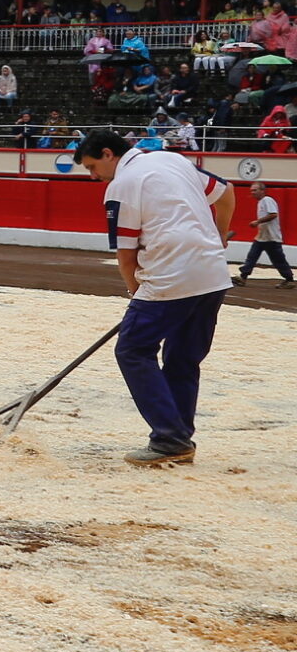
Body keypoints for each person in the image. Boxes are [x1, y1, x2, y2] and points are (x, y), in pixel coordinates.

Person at [76, 129, 234, 465]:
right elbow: (226, 192)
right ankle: (178, 440)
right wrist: (219, 238)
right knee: (183, 360)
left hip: (170, 278)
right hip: (213, 275)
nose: (93, 176)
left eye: (92, 167)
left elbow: (126, 254)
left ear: (108, 154)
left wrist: (135, 291)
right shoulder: (172, 159)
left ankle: (168, 438)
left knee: (133, 349)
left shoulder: (121, 185)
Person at [237, 188, 292, 288]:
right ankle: (243, 277)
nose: (252, 193)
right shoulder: (261, 202)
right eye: (251, 191)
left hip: (271, 237)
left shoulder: (267, 200)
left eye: (255, 190)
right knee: (252, 257)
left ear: (262, 190)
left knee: (278, 260)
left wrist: (258, 222)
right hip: (262, 237)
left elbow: (273, 214)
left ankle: (289, 279)